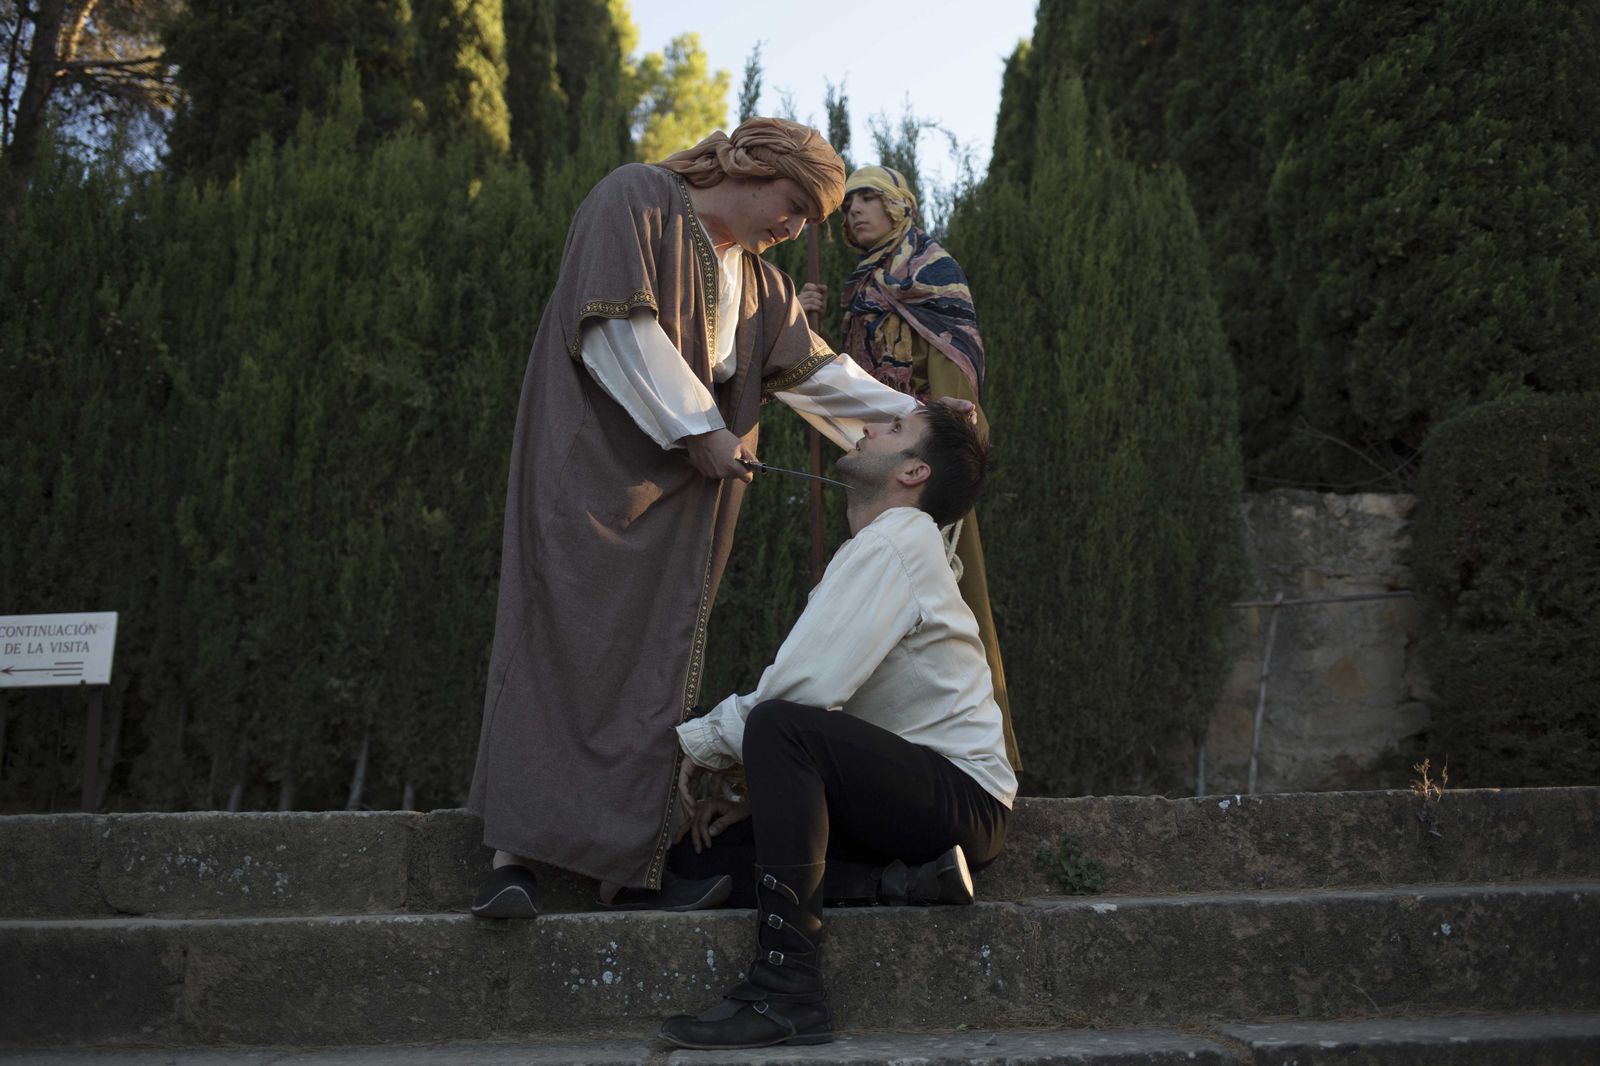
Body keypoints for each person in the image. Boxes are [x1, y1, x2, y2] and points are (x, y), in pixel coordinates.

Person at [468, 119, 952, 918]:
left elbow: (823, 379)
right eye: (795, 205)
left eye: (807, 220)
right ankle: (511, 861)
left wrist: (924, 421)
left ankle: (628, 868)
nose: (794, 228)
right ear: (752, 167)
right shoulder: (635, 199)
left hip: (687, 510)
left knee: (654, 667)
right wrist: (700, 427)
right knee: (564, 643)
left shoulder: (759, 285)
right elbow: (616, 330)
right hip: (591, 483)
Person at [658, 404, 1016, 1050]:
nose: (870, 427)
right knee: (699, 861)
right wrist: (759, 801)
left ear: (913, 472)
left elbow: (804, 692)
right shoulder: (883, 547)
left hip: (961, 799)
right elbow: (844, 717)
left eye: (895, 429)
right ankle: (897, 883)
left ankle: (788, 990)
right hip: (910, 805)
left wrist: (702, 744)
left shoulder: (899, 539)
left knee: (780, 725)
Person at [799, 166, 1020, 774]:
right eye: (849, 204)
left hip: (920, 461)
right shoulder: (862, 281)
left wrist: (944, 439)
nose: (855, 211)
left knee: (943, 581)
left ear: (899, 205)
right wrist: (806, 325)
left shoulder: (930, 268)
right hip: (876, 450)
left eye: (868, 197)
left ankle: (973, 740)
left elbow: (952, 371)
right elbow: (846, 379)